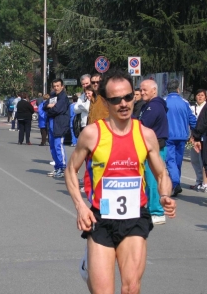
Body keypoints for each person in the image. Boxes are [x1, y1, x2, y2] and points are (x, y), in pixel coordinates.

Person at [65, 68, 176, 294]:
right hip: (101, 218)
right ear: (106, 102)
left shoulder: (145, 134)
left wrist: (165, 195)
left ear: (134, 96)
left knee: (131, 287)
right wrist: (80, 206)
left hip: (135, 217)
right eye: (116, 99)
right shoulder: (92, 134)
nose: (123, 103)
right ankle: (90, 262)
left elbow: (162, 173)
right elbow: (70, 170)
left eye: (128, 97)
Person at [138, 79, 169, 225]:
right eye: (141, 89)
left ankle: (157, 211)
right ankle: (150, 208)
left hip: (155, 149)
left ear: (154, 90)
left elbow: (142, 125)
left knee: (153, 180)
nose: (142, 92)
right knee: (148, 181)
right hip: (148, 148)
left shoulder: (154, 106)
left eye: (145, 90)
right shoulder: (148, 105)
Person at [165, 79, 197, 196]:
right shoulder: (185, 102)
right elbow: (192, 119)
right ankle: (176, 183)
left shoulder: (164, 101)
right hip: (182, 135)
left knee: (170, 160)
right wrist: (196, 133)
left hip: (168, 136)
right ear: (178, 89)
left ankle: (175, 182)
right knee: (178, 161)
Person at [43, 78, 70, 178]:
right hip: (51, 124)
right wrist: (49, 106)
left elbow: (57, 110)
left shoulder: (63, 97)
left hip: (60, 125)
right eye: (54, 86)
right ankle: (57, 167)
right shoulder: (53, 96)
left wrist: (50, 109)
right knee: (52, 147)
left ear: (62, 86)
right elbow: (44, 106)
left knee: (58, 146)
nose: (56, 88)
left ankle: (63, 168)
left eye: (58, 86)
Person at [189, 89, 207, 191]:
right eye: (198, 95)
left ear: (205, 97)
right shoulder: (191, 107)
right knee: (193, 159)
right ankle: (198, 180)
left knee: (202, 160)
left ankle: (204, 182)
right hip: (191, 137)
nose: (200, 97)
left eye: (202, 95)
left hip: (201, 138)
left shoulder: (205, 107)